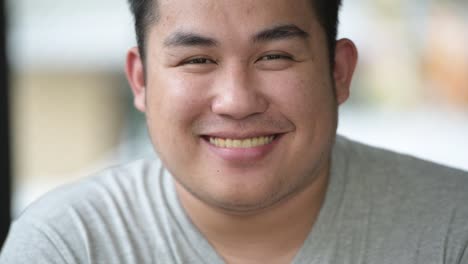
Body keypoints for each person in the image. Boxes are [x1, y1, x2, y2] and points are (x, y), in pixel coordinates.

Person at [1, 0, 468, 263]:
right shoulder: (68, 244)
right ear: (141, 81)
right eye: (197, 60)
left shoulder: (452, 228)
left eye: (274, 56)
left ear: (340, 72)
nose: (238, 101)